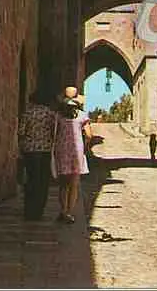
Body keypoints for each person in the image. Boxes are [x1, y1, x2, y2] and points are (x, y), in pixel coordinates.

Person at [51, 87, 92, 224]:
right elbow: (89, 135)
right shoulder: (82, 116)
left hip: (62, 150)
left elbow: (54, 133)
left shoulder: (58, 115)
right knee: (74, 184)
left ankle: (63, 211)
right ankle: (69, 212)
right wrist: (85, 145)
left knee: (63, 184)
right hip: (76, 152)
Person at [17, 89, 56, 220]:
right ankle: (39, 210)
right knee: (43, 181)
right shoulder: (50, 114)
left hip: (29, 150)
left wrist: (21, 146)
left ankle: (29, 210)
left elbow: (21, 131)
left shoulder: (27, 113)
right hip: (45, 150)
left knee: (31, 179)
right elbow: (54, 132)